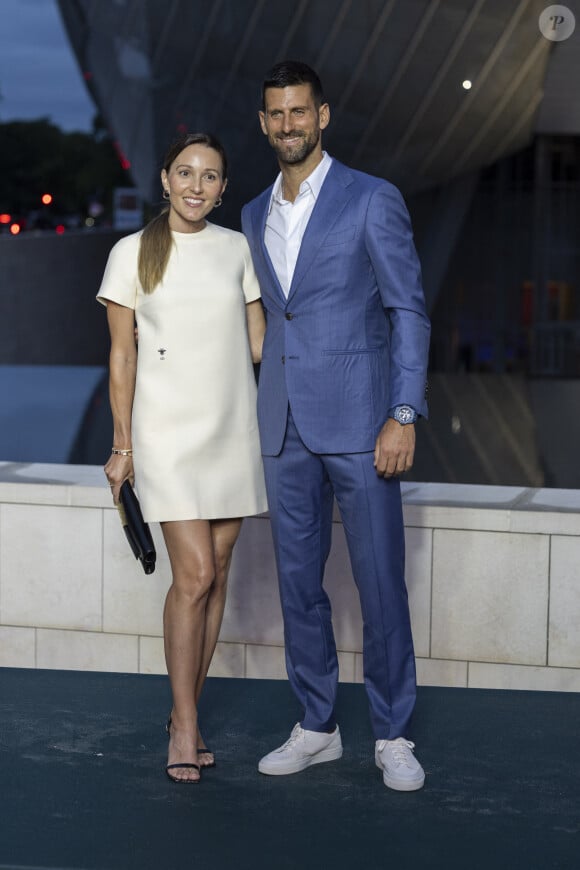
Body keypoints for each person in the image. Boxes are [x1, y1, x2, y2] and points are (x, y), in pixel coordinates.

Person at [241, 62, 431, 791]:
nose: (288, 124)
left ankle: (393, 733)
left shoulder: (371, 199)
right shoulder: (254, 213)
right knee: (299, 586)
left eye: (299, 111)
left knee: (381, 583)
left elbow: (407, 311)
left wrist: (402, 412)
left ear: (323, 116)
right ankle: (316, 724)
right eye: (275, 114)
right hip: (284, 424)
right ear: (264, 124)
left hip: (362, 422)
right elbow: (271, 317)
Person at [98, 132, 268, 784]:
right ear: (165, 179)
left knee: (218, 573)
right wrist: (122, 445)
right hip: (166, 435)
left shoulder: (236, 251)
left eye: (211, 176)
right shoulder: (131, 253)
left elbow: (260, 346)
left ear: (224, 189)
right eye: (186, 173)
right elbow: (122, 356)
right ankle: (187, 724)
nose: (198, 185)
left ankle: (183, 714)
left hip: (233, 433)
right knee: (194, 576)